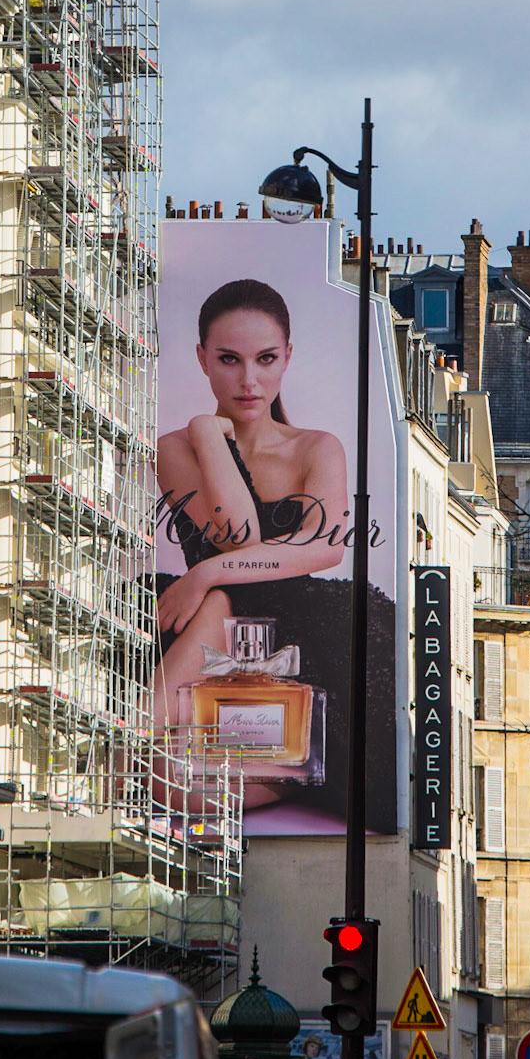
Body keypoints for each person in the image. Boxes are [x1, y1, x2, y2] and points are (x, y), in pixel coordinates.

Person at [154, 278, 350, 801]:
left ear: (287, 357)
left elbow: (325, 546)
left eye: (264, 359)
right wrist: (206, 433)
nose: (248, 380)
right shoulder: (177, 448)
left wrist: (206, 573)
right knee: (141, 763)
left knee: (170, 781)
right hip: (206, 631)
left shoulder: (318, 448)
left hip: (289, 643)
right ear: (201, 359)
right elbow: (236, 533)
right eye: (228, 360)